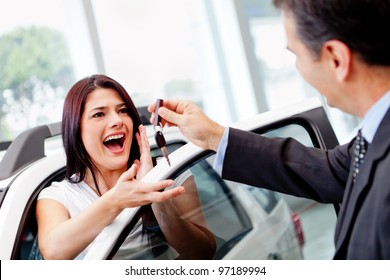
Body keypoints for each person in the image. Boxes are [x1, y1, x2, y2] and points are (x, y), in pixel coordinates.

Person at [148, 0, 390, 260]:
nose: (298, 68)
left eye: (296, 54)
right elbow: (331, 170)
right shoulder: (372, 139)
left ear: (336, 58)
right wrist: (213, 135)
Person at [36, 75, 215, 260]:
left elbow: (203, 253)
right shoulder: (58, 196)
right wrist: (116, 200)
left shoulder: (170, 171)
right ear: (76, 129)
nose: (117, 120)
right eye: (99, 114)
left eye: (122, 111)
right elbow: (53, 253)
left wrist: (154, 192)